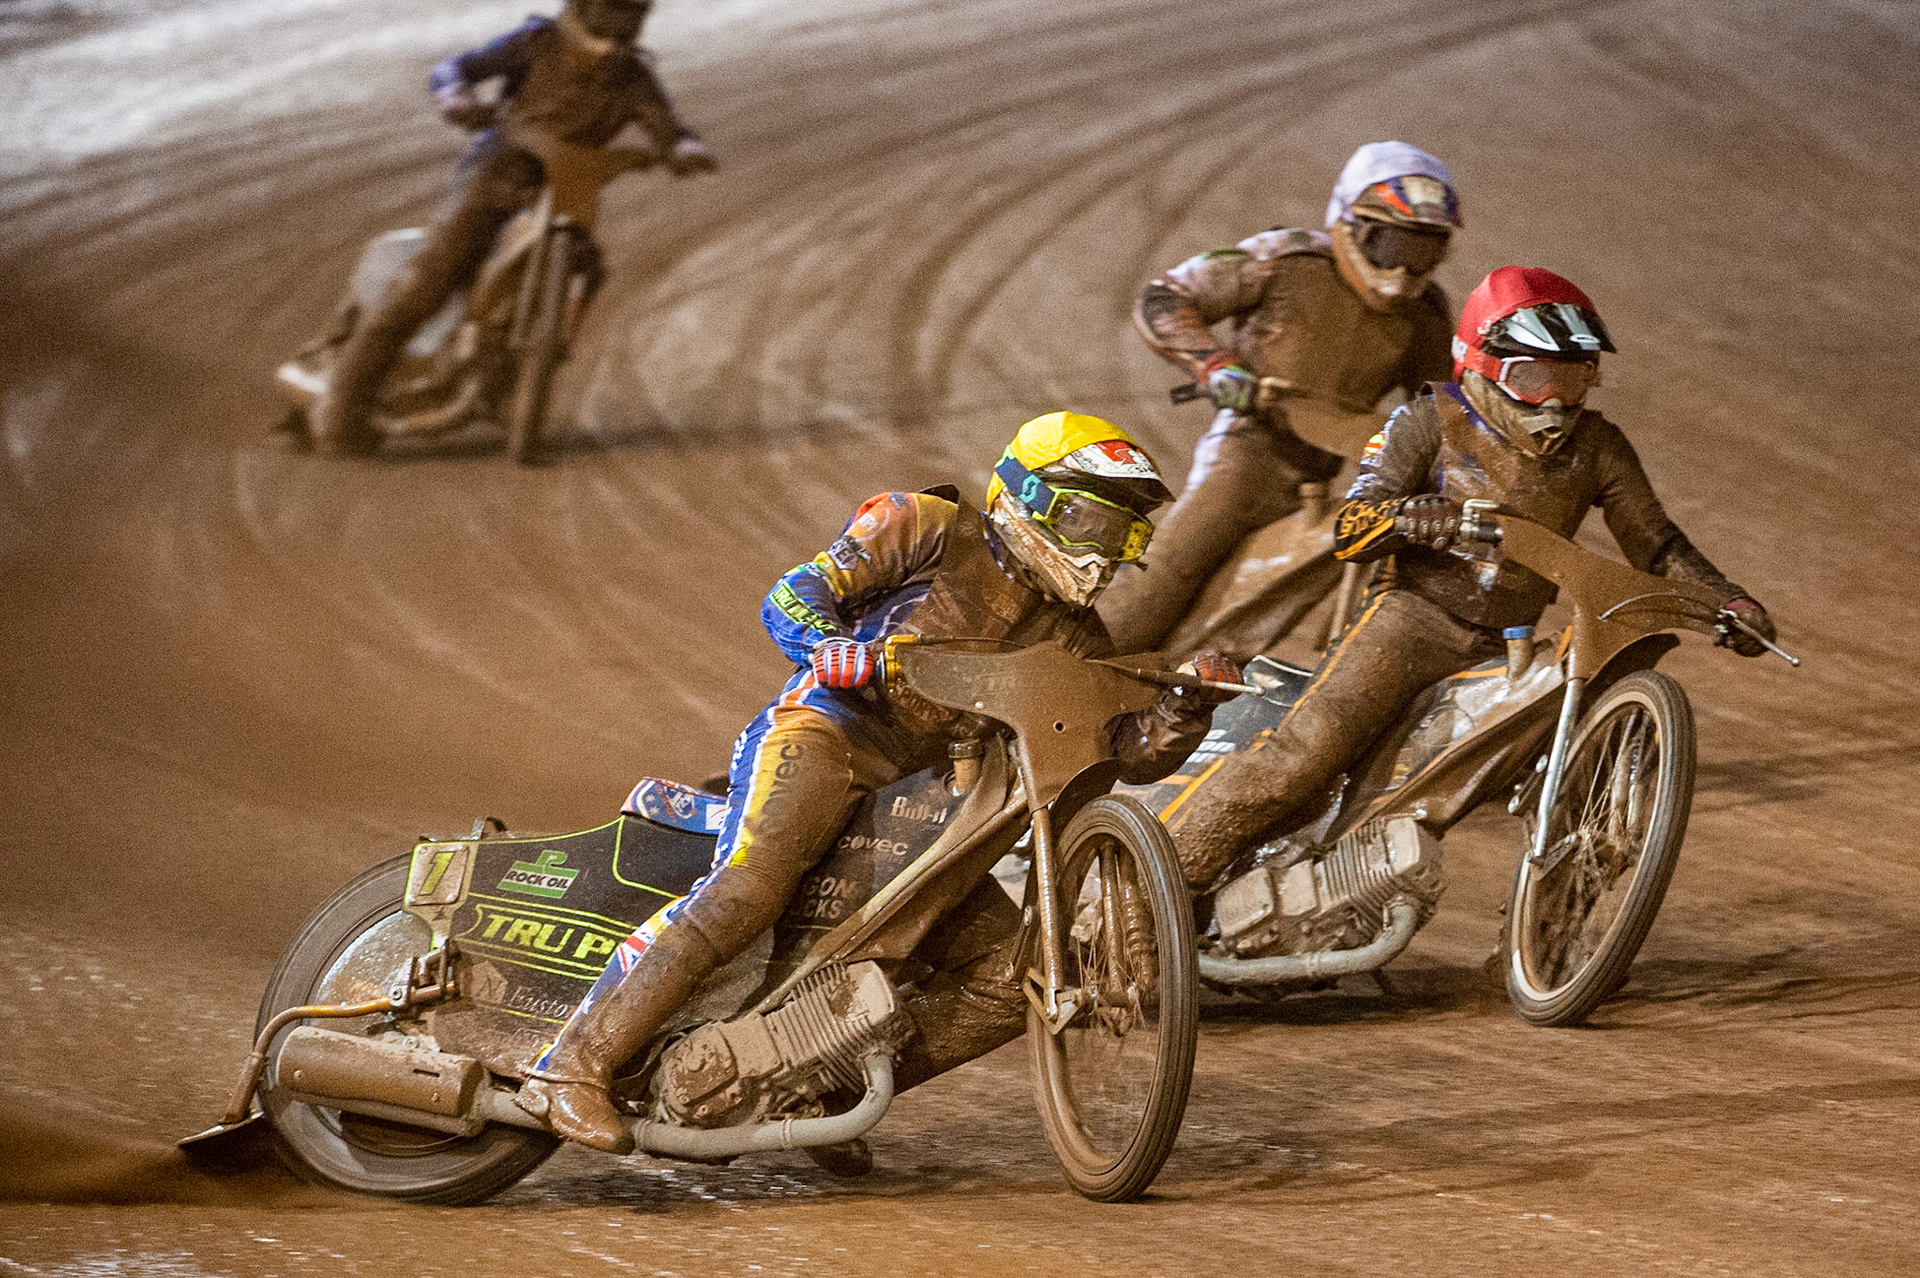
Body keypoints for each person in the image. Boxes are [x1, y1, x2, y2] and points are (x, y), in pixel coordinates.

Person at [518, 411, 1239, 1154]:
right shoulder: (924, 523)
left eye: (1123, 535)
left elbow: (1124, 751)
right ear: (1028, 495)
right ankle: (572, 1065)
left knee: (1004, 973)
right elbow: (794, 593)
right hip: (826, 730)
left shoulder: (1078, 641)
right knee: (753, 886)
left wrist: (1185, 708)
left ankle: (812, 1088)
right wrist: (829, 647)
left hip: (929, 802)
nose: (1104, 551)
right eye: (1091, 520)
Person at [1162, 266, 1778, 889]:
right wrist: (1408, 518)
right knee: (1304, 757)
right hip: (1409, 623)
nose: (1557, 402)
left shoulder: (1600, 445)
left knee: (1579, 775)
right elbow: (1353, 526)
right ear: (1482, 365)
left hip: (1506, 647)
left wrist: (1726, 600)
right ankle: (1156, 894)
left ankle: (1553, 940)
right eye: (1534, 378)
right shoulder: (1427, 420)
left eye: (1575, 377)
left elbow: (1658, 544)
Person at [1100, 140, 1463, 654]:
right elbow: (1165, 296)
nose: (1406, 270)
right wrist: (1214, 363)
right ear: (1350, 225)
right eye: (1394, 248)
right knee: (1169, 571)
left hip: (1342, 475)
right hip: (1248, 451)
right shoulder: (1284, 257)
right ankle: (1082, 667)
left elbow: (1441, 407)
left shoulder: (1427, 311)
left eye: (1424, 252)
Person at [309, 0, 715, 454]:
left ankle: (519, 376)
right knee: (431, 277)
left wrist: (684, 149)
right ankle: (342, 413)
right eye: (616, 8)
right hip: (496, 176)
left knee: (589, 268)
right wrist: (455, 95)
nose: (626, 21)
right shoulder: (537, 43)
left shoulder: (635, 80)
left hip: (566, 194)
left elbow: (671, 129)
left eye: (634, 12)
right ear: (585, 6)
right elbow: (454, 68)